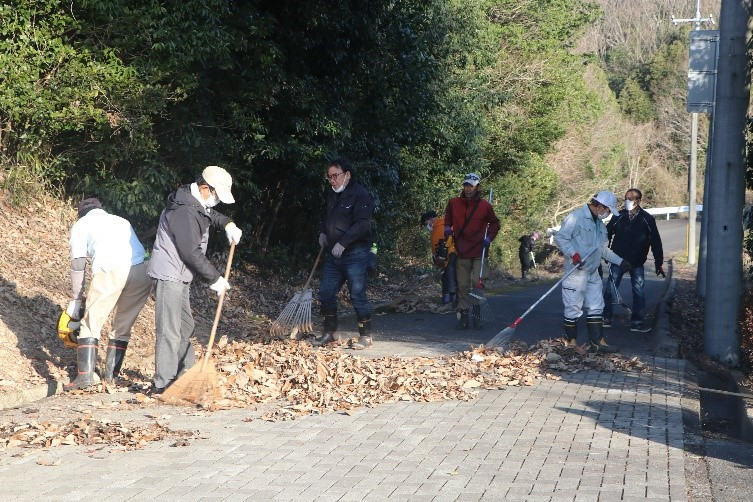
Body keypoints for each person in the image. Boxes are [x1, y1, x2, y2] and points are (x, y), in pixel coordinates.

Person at [147, 166, 242, 393]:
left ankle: (185, 373)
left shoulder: (194, 201)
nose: (217, 202)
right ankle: (164, 383)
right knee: (170, 329)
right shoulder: (184, 210)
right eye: (217, 196)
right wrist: (215, 278)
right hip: (169, 272)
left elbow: (209, 214)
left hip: (180, 274)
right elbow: (190, 251)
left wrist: (227, 223)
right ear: (204, 188)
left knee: (186, 325)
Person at [64, 197, 153, 390]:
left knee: (91, 323)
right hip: (142, 271)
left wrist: (77, 298)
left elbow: (78, 264)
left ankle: (85, 377)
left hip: (111, 269)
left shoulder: (81, 224)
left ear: (81, 213)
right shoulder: (121, 220)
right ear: (100, 209)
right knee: (122, 326)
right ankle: (111, 377)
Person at [553, 191, 633, 353]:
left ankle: (597, 343)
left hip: (593, 272)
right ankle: (570, 343)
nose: (608, 213)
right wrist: (573, 254)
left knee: (597, 306)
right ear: (600, 206)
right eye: (608, 210)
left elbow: (603, 250)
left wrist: (620, 261)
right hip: (576, 273)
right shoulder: (576, 218)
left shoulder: (600, 225)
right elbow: (560, 238)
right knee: (573, 308)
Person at [314, 158, 376, 349]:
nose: (332, 180)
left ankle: (366, 335)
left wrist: (343, 242)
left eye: (336, 176)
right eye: (329, 177)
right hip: (333, 254)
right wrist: (323, 233)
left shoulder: (361, 195)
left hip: (355, 253)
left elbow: (363, 224)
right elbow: (327, 218)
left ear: (347, 175)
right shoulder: (332, 195)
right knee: (325, 292)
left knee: (357, 294)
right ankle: (330, 332)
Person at [443, 173, 500, 330]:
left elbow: (495, 223)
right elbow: (448, 217)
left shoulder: (485, 206)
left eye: (472, 186)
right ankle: (464, 319)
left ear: (478, 188)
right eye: (466, 186)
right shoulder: (454, 203)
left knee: (477, 284)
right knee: (462, 285)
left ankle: (477, 317)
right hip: (461, 250)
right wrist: (447, 227)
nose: (468, 189)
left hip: (479, 251)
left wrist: (489, 238)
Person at [603, 188, 664, 333]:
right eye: (625, 198)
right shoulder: (618, 216)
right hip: (617, 260)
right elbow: (606, 233)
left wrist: (658, 262)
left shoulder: (647, 219)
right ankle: (606, 316)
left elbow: (656, 242)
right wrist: (605, 253)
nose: (627, 201)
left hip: (637, 262)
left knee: (638, 293)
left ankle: (637, 321)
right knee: (610, 290)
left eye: (630, 199)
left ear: (638, 201)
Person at [420, 210, 457, 304]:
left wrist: (441, 260)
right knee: (448, 277)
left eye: (426, 224)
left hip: (450, 256)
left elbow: (443, 247)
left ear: (430, 220)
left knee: (449, 278)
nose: (426, 227)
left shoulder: (440, 227)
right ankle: (450, 300)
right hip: (449, 257)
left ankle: (450, 300)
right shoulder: (440, 226)